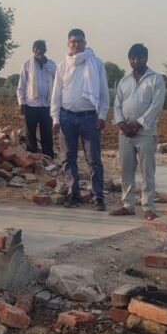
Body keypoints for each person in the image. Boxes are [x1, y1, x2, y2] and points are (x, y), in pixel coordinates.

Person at [51, 28, 110, 211]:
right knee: (68, 159)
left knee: (93, 159)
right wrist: (55, 119)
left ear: (85, 43)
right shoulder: (62, 66)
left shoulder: (95, 63)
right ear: (68, 44)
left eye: (79, 41)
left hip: (89, 118)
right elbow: (56, 95)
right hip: (66, 118)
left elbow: (103, 93)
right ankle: (73, 194)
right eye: (73, 41)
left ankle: (98, 196)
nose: (76, 44)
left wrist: (102, 116)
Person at [111, 44, 167, 220]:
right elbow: (117, 104)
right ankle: (127, 205)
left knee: (147, 170)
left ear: (146, 58)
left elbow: (156, 105)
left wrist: (138, 124)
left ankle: (148, 207)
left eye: (139, 58)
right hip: (125, 133)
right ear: (129, 59)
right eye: (133, 58)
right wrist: (121, 123)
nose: (136, 61)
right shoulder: (124, 80)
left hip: (145, 132)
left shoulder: (155, 79)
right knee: (126, 170)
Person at [16, 40, 57, 158]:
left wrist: (46, 64)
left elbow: (57, 77)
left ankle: (48, 155)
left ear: (45, 50)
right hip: (31, 104)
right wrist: (21, 103)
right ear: (33, 50)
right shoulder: (27, 64)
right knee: (30, 132)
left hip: (47, 105)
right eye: (36, 48)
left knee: (46, 132)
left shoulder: (51, 64)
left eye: (41, 48)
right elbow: (21, 85)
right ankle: (32, 155)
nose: (38, 50)